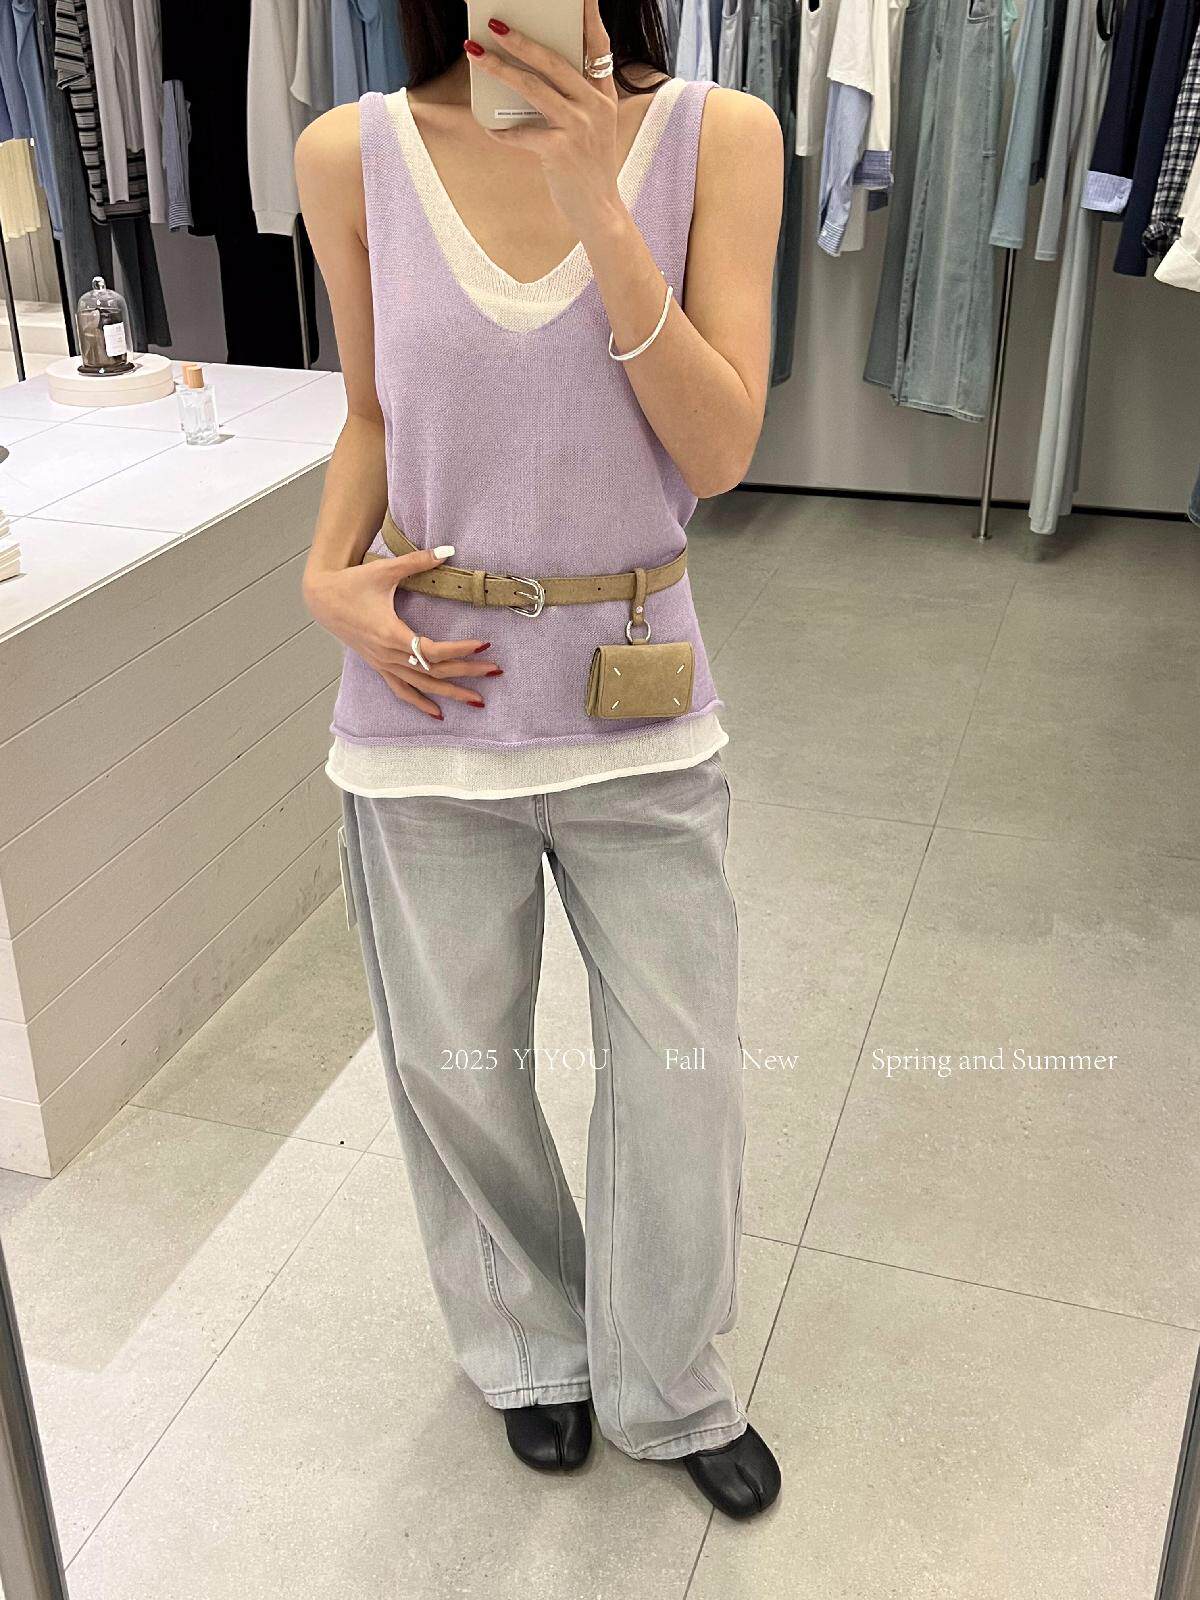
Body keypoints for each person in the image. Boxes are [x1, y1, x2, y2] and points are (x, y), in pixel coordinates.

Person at [295, 0, 783, 1521]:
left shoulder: (720, 135)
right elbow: (371, 414)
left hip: (640, 695)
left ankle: (665, 1376)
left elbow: (720, 451)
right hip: (427, 697)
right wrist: (323, 575)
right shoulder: (352, 153)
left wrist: (593, 190)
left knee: (682, 1070)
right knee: (458, 1067)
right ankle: (530, 1343)